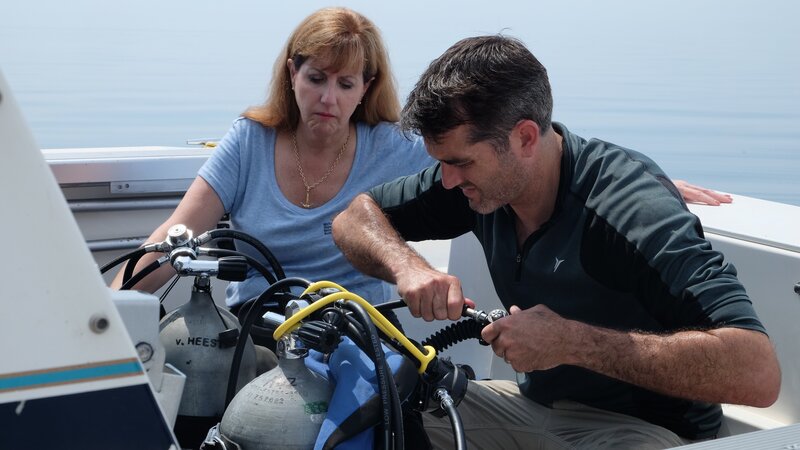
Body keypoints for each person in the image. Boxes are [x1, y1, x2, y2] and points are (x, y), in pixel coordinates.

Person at [331, 35, 780, 449]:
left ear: (525, 137)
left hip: (645, 432)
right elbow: (353, 218)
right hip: (533, 409)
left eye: (461, 162)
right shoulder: (476, 185)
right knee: (375, 415)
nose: (447, 181)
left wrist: (573, 343)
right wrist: (409, 267)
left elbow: (758, 372)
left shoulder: (631, 213)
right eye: (442, 164)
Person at [111, 7, 435, 312]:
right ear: (293, 73)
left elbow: (470, 168)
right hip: (262, 320)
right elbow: (175, 234)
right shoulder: (249, 140)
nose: (328, 98)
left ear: (366, 87)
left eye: (346, 84)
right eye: (316, 78)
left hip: (359, 321)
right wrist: (110, 313)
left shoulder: (395, 147)